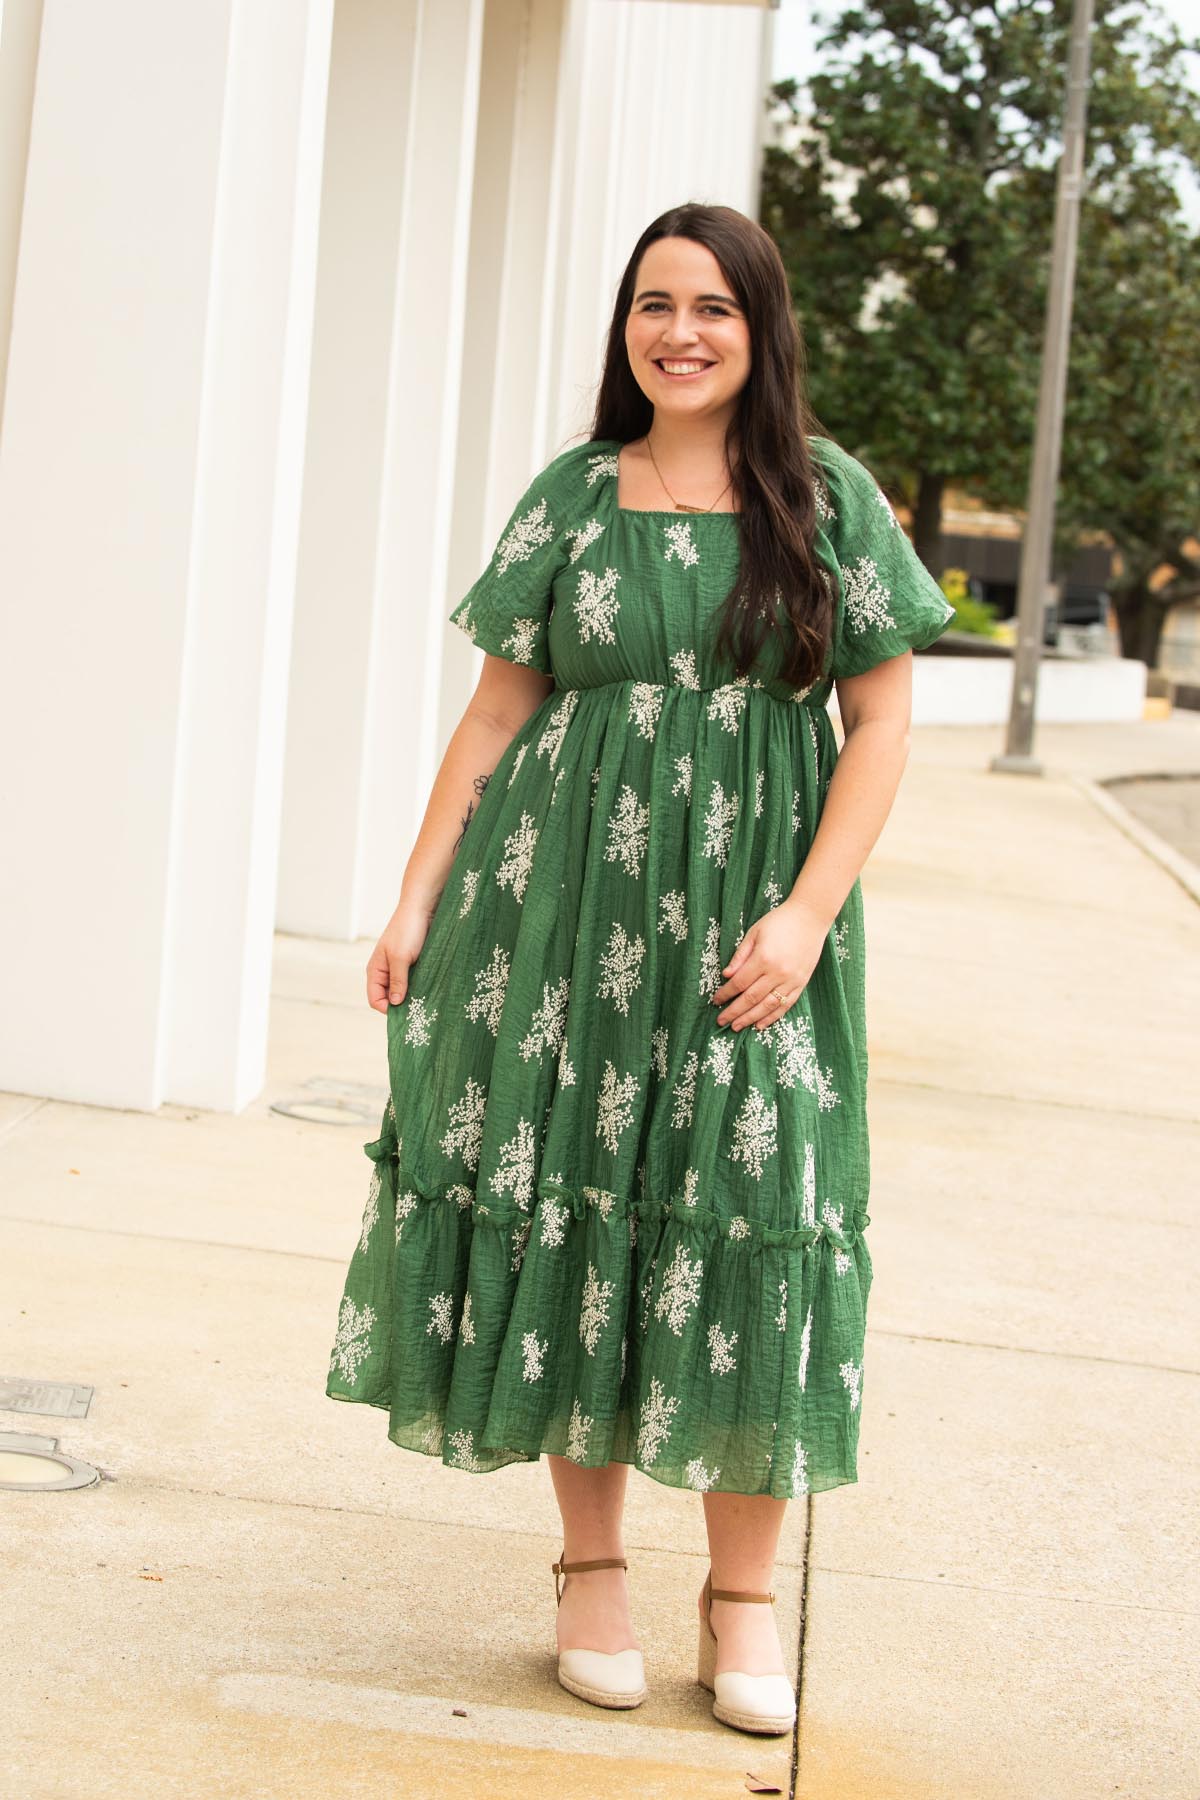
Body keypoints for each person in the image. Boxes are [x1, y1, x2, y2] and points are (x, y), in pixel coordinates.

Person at [325, 201, 954, 1736]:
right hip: (558, 919)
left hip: (755, 926)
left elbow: (880, 724)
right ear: (627, 329)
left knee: (753, 1213)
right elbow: (494, 716)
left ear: (763, 330)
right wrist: (416, 898)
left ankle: (741, 1597)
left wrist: (807, 912)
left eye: (714, 309)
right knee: (575, 1198)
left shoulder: (826, 499)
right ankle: (590, 1567)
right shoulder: (571, 498)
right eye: (653, 305)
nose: (679, 332)